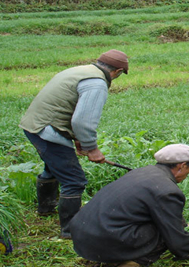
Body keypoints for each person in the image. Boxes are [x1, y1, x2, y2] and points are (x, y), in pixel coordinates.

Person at [19, 49, 129, 239]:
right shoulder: (97, 84)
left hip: (33, 125)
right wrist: (92, 148)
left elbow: (69, 108)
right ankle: (70, 230)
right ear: (117, 71)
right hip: (48, 130)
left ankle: (46, 208)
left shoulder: (81, 70)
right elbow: (83, 122)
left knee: (53, 167)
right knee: (74, 180)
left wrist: (79, 140)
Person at [69, 144, 189, 267]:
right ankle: (131, 266)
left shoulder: (144, 171)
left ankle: (107, 254)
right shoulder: (167, 190)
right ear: (182, 166)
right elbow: (172, 231)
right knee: (162, 229)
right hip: (102, 240)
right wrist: (188, 251)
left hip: (82, 233)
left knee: (161, 221)